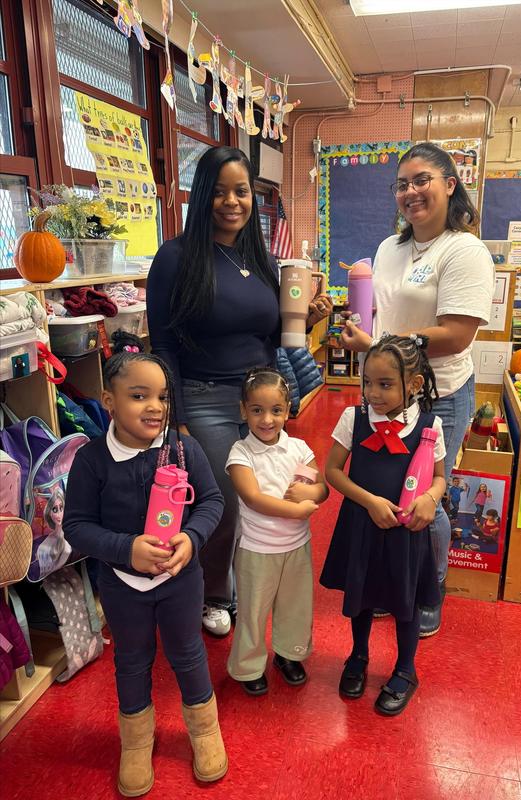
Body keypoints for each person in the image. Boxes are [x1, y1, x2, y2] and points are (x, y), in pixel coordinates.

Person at [147, 146, 332, 637]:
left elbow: (268, 337)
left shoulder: (261, 260)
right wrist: (176, 416)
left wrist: (305, 321)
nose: (233, 201)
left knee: (266, 494)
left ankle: (250, 584)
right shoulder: (177, 257)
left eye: (243, 191)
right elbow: (163, 342)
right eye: (222, 191)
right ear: (204, 194)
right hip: (203, 398)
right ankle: (215, 594)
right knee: (225, 504)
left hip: (261, 401)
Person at [340, 141, 494, 636]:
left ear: (451, 185)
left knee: (427, 499)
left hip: (439, 393)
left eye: (422, 180)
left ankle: (429, 589)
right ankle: (393, 582)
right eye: (402, 184)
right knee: (387, 491)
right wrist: (359, 331)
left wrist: (385, 342)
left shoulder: (465, 250)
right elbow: (383, 312)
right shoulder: (389, 248)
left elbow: (457, 335)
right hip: (386, 393)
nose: (410, 192)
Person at [63, 352, 228, 797]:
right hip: (122, 585)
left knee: (188, 653)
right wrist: (125, 549)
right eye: (139, 396)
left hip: (181, 579)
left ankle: (204, 729)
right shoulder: (91, 460)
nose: (154, 406)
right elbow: (75, 526)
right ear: (109, 401)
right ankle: (135, 741)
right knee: (131, 661)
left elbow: (212, 502)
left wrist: (191, 538)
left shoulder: (184, 448)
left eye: (161, 397)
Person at [320, 334, 446, 716]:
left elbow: (440, 477)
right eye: (368, 383)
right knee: (361, 595)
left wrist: (430, 499)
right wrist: (369, 501)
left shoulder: (429, 424)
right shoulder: (353, 419)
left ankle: (406, 669)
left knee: (405, 601)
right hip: (362, 522)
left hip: (407, 533)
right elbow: (332, 472)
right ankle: (358, 656)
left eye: (385, 384)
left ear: (415, 385)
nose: (373, 393)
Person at [225, 367, 328, 695]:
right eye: (257, 410)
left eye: (276, 410)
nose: (267, 419)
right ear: (244, 410)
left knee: (295, 606)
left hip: (297, 546)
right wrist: (297, 510)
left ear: (288, 409)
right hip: (258, 550)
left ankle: (289, 654)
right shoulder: (241, 453)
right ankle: (248, 666)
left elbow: (320, 486)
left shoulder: (298, 448)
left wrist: (311, 494)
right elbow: (254, 498)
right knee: (252, 613)